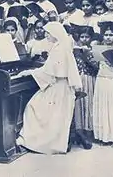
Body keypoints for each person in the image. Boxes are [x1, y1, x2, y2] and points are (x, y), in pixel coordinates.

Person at [16, 22, 82, 154]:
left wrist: (30, 72)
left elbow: (49, 72)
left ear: (55, 34)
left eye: (48, 32)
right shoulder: (60, 47)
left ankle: (37, 142)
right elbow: (50, 69)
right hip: (61, 86)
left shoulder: (58, 49)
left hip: (58, 88)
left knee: (32, 106)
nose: (46, 35)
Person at [72, 25, 98, 147]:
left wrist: (88, 55)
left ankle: (89, 131)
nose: (84, 39)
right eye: (82, 36)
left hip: (89, 78)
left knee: (89, 103)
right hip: (78, 78)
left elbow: (97, 67)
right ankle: (79, 130)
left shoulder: (93, 50)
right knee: (78, 105)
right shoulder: (74, 50)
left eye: (87, 37)